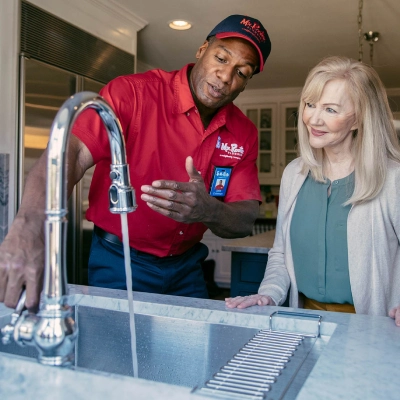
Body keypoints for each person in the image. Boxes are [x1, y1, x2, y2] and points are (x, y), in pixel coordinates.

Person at [0, 15, 271, 311]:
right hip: (119, 262)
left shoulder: (244, 132)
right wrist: (28, 227)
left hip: (187, 268)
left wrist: (209, 209)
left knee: (188, 352)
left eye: (242, 72)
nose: (225, 76)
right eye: (221, 58)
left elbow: (245, 217)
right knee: (114, 352)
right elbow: (72, 155)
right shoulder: (133, 94)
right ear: (202, 49)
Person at [226, 56, 400, 327]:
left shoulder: (392, 178)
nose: (313, 119)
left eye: (331, 110)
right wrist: (268, 294)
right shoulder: (295, 174)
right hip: (305, 320)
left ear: (358, 119)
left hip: (374, 325)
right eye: (310, 105)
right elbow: (282, 253)